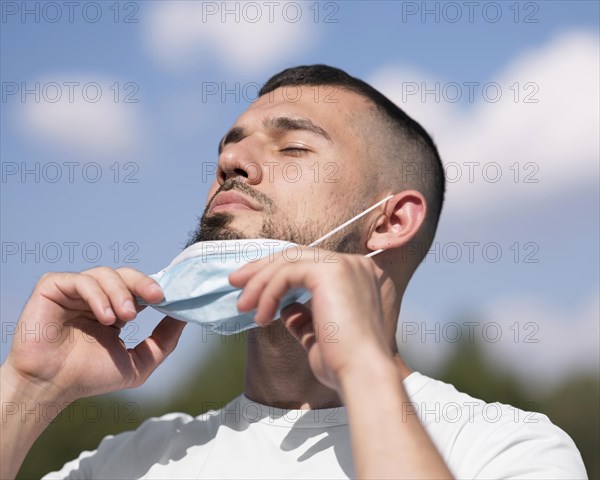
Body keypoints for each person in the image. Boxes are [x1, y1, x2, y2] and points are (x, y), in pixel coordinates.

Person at [1, 65, 586, 479]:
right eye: (228, 151)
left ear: (389, 222)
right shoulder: (131, 462)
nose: (231, 163)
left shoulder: (503, 449)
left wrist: (362, 366)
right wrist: (31, 387)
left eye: (293, 149)